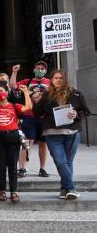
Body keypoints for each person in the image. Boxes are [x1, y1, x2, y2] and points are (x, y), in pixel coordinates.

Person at [33, 70, 91, 200]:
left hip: (72, 132)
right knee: (60, 161)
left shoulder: (76, 94)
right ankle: (71, 188)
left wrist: (77, 114)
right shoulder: (46, 95)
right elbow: (37, 113)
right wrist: (36, 101)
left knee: (67, 162)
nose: (58, 80)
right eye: (55, 78)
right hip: (52, 133)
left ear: (65, 79)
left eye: (61, 78)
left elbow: (86, 111)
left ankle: (64, 190)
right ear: (51, 80)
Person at [0, 84, 31, 203]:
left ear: (7, 92)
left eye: (1, 90)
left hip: (13, 136)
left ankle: (13, 191)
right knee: (0, 165)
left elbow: (28, 107)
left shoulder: (14, 106)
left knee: (13, 165)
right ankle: (2, 191)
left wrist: (26, 92)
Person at [12, 62, 51, 178]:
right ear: (34, 69)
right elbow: (13, 86)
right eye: (38, 68)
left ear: (45, 70)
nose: (40, 70)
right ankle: (23, 168)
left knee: (43, 144)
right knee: (27, 143)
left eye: (42, 68)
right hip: (29, 116)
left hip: (44, 117)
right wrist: (14, 72)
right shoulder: (27, 82)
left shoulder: (49, 82)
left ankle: (42, 169)